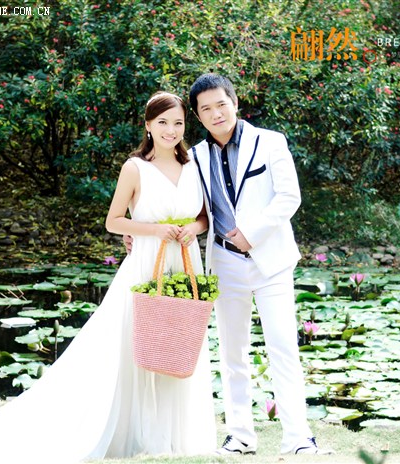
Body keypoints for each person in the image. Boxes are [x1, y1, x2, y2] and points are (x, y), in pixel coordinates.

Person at [0, 92, 216, 463]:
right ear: (148, 125)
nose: (171, 130)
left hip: (185, 261)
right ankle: (135, 432)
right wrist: (154, 230)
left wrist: (193, 229)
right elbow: (114, 221)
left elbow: (204, 217)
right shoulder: (135, 168)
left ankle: (175, 436)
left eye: (178, 123)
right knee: (137, 346)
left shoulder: (194, 165)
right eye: (162, 122)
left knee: (180, 342)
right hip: (148, 262)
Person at [127, 74, 331, 455]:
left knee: (283, 347)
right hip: (223, 262)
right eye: (206, 109)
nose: (216, 113)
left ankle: (298, 438)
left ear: (235, 103)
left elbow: (290, 197)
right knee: (232, 353)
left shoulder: (270, 142)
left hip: (271, 261)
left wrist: (251, 233)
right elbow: (185, 205)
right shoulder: (194, 157)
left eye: (221, 104)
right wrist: (139, 231)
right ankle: (240, 436)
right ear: (198, 116)